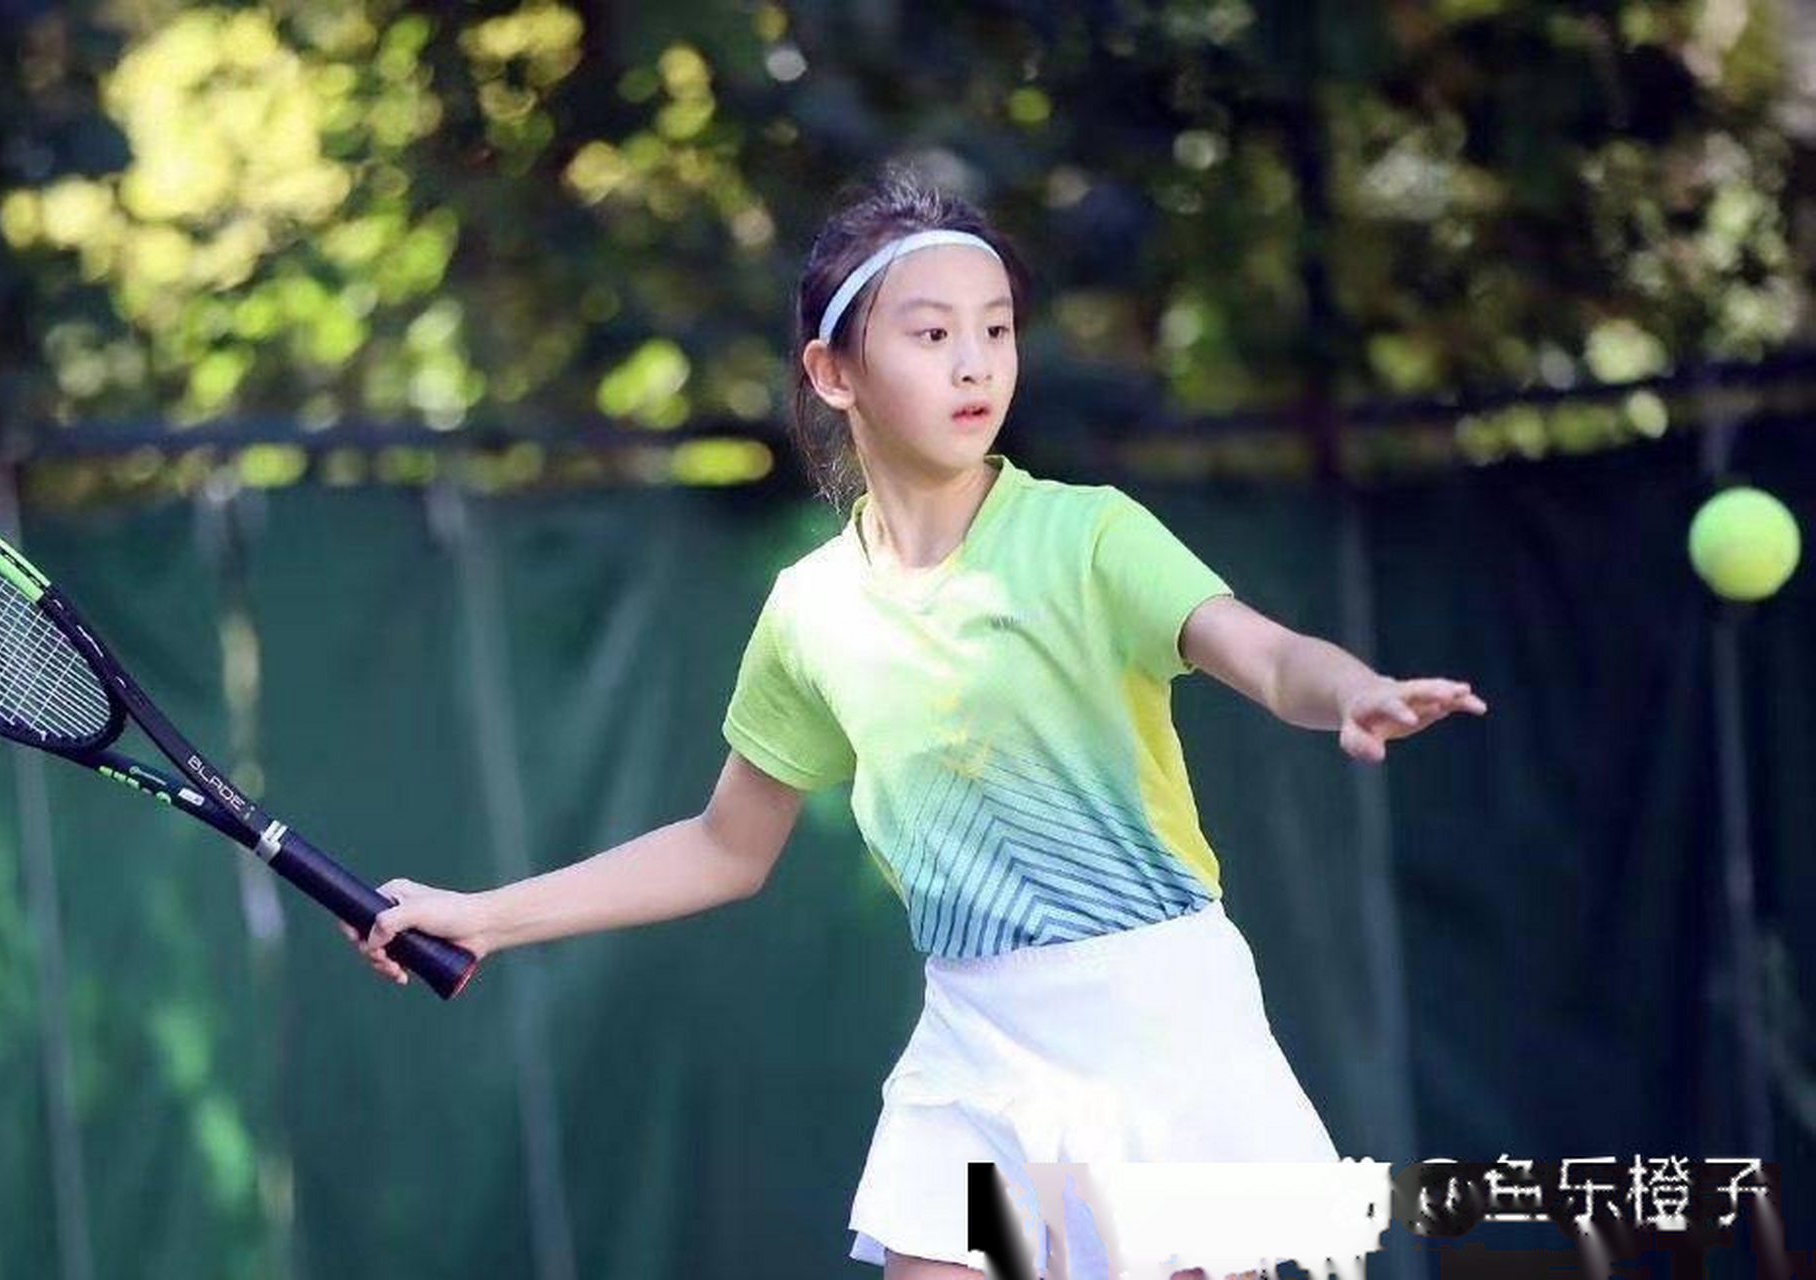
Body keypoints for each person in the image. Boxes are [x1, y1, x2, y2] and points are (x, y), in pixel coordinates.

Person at [342, 167, 1486, 1278]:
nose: (975, 361)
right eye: (931, 334)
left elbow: (1269, 653)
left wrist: (1352, 690)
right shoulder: (811, 613)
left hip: (1162, 1018)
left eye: (996, 330)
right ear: (833, 372)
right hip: (974, 1032)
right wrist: (485, 915)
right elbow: (722, 845)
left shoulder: (1091, 536)